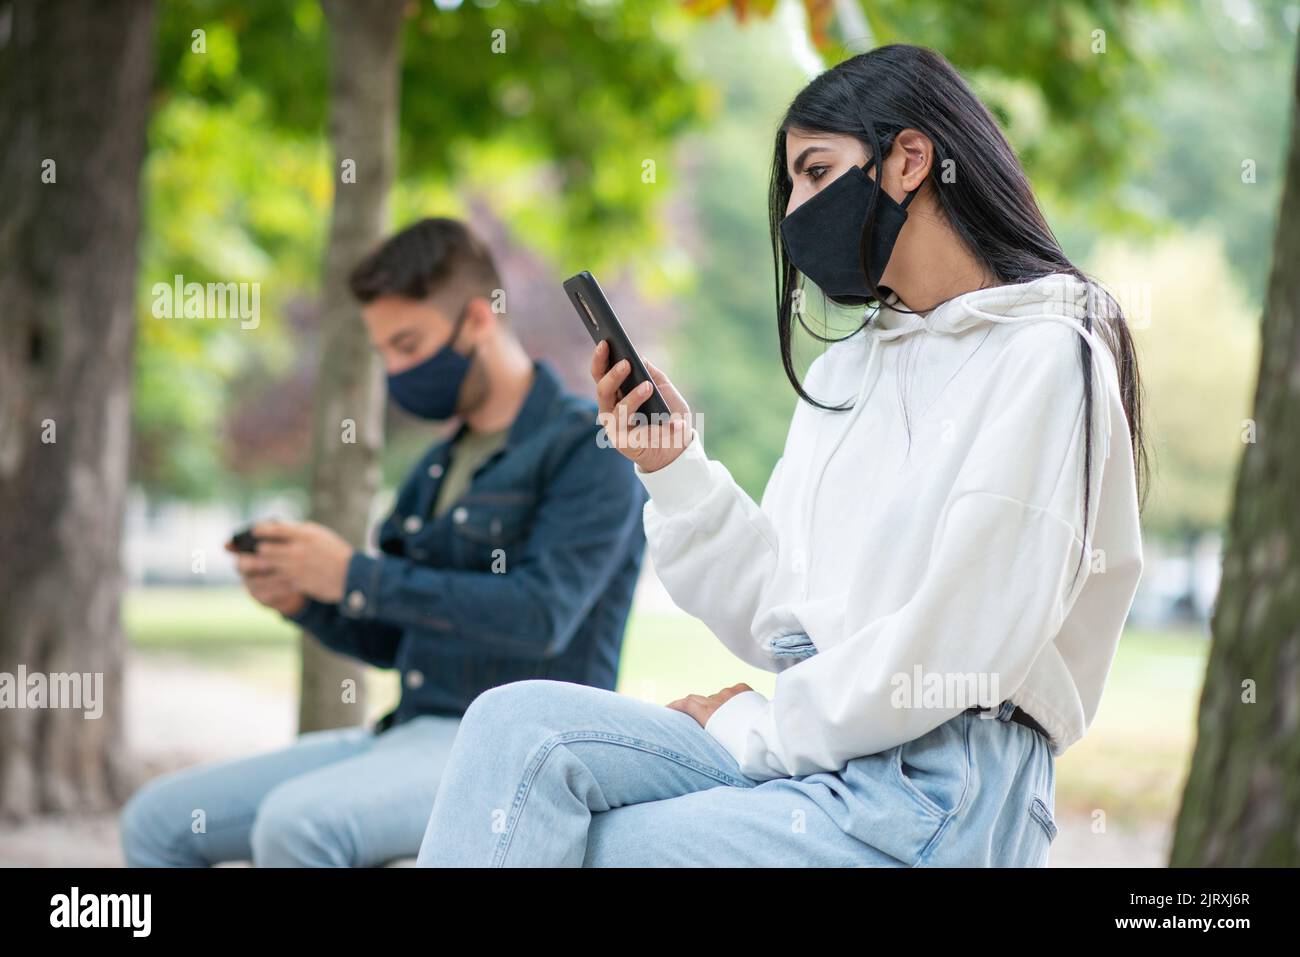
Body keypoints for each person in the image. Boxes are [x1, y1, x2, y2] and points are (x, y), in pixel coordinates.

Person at [414, 45, 1146, 867]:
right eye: (790, 183)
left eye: (815, 171)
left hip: (939, 792)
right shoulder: (852, 369)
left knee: (596, 848)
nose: (796, 210)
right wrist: (672, 466)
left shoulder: (1048, 354)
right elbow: (785, 616)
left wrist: (752, 723)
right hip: (820, 749)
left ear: (909, 160)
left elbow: (958, 649)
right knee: (514, 726)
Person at [120, 218, 647, 866]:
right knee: (157, 820)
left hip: (515, 750)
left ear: (479, 319)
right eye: (385, 352)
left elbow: (541, 615)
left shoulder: (588, 447)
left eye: (407, 343)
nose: (396, 370)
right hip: (406, 733)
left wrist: (356, 577)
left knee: (297, 825)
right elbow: (396, 638)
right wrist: (308, 598)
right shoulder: (434, 467)